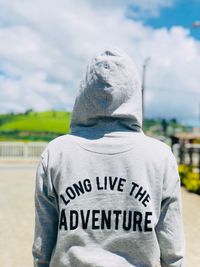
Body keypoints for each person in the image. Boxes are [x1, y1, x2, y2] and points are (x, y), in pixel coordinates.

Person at [32, 48, 185, 267]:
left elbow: (42, 246)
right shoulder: (159, 156)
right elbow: (173, 250)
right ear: (133, 91)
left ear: (84, 91)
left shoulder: (57, 153)